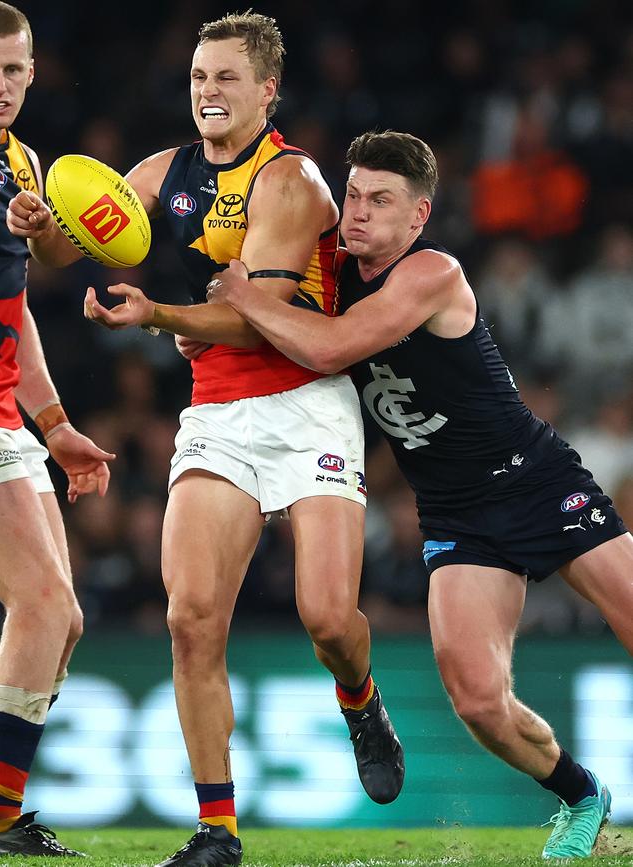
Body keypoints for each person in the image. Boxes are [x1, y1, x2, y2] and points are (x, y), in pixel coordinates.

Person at [7, 13, 404, 867]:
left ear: (268, 90)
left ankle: (360, 696)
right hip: (218, 412)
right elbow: (60, 256)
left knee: (329, 616)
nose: (208, 93)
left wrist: (155, 315)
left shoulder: (291, 182)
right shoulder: (163, 171)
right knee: (190, 619)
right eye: (197, 77)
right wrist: (42, 225)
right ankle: (217, 832)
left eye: (226, 78)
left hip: (307, 404)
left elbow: (259, 321)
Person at [205, 129, 633, 860]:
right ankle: (582, 796)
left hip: (535, 481)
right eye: (353, 196)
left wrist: (245, 299)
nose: (360, 212)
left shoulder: (432, 271)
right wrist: (199, 323)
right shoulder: (329, 272)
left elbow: (334, 347)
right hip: (457, 513)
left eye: (381, 200)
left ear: (419, 216)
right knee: (475, 697)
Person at [0, 0, 115, 857]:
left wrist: (56, 423)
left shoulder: (22, 164)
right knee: (42, 602)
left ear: (33, 73)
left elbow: (15, 310)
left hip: (2, 408)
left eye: (10, 70)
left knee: (61, 620)